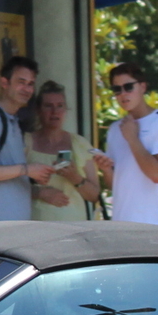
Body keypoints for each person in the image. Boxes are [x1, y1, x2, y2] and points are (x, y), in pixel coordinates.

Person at [99, 61, 158, 225]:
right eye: (117, 89)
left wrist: (133, 139)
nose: (123, 94)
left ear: (143, 87)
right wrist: (106, 170)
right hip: (122, 223)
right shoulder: (115, 129)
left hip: (155, 224)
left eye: (128, 87)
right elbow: (114, 185)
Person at [0, 55, 50, 223]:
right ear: (4, 83)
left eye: (30, 84)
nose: (27, 89)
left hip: (12, 228)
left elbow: (9, 174)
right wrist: (27, 170)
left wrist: (34, 175)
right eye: (21, 82)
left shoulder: (13, 121)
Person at [26, 80, 103, 222]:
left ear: (66, 109)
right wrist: (39, 192)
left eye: (60, 106)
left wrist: (75, 178)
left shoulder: (80, 144)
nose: (55, 112)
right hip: (34, 228)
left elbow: (95, 196)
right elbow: (9, 186)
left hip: (72, 228)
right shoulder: (25, 143)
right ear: (38, 110)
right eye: (48, 106)